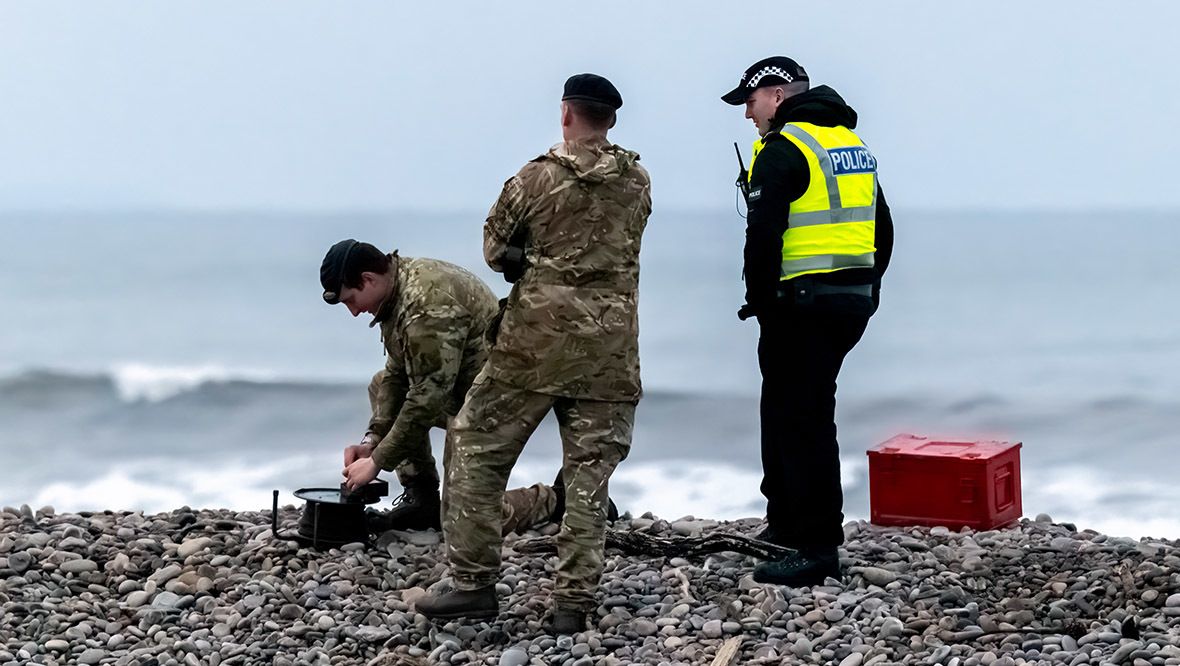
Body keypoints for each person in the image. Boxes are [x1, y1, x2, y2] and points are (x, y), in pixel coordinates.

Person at [416, 73, 651, 632]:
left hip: (534, 345)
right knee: (590, 477)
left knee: (476, 445)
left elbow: (496, 248)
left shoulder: (536, 178)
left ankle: (473, 583)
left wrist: (532, 261)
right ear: (611, 120)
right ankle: (573, 603)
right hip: (611, 348)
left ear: (566, 114)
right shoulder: (637, 180)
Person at [720, 56, 894, 586]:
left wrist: (762, 301)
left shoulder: (786, 148)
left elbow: (763, 237)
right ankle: (789, 523)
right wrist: (869, 291)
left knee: (803, 419)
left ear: (774, 95)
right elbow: (881, 229)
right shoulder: (850, 148)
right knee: (790, 410)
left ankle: (817, 546)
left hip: (800, 305)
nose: (747, 116)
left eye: (749, 103)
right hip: (846, 303)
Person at [321, 239, 595, 537]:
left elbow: (427, 399)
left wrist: (377, 462)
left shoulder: (424, 307)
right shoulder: (396, 288)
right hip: (463, 392)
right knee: (381, 384)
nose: (354, 312)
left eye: (350, 301)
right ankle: (422, 499)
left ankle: (557, 499)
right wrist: (373, 439)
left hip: (495, 400)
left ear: (368, 279)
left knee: (463, 521)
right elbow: (397, 373)